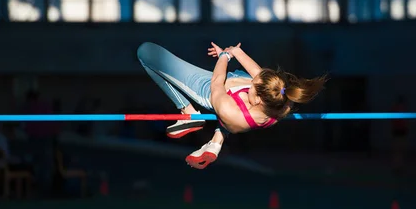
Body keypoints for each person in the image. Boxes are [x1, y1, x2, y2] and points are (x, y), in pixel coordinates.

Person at [137, 42, 327, 169]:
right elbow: (258, 74)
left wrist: (225, 57)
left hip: (210, 88)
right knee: (245, 93)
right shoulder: (279, 100)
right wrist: (236, 51)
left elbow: (217, 82)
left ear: (259, 99)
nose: (253, 83)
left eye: (253, 88)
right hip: (233, 97)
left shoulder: (233, 112)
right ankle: (215, 143)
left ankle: (189, 112)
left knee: (146, 52)